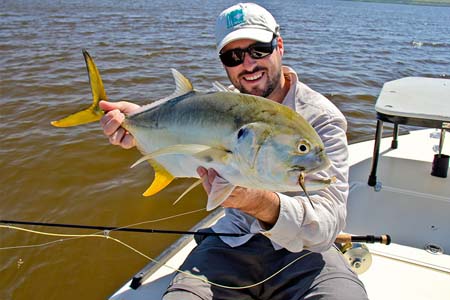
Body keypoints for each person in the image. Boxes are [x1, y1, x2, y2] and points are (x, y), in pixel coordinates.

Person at [100, 3, 368, 299]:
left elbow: (328, 222)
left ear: (279, 45)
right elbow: (182, 130)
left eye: (259, 50)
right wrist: (135, 121)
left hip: (305, 250)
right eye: (233, 56)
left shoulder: (321, 118)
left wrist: (258, 202)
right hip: (233, 239)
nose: (248, 65)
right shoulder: (223, 106)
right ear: (224, 63)